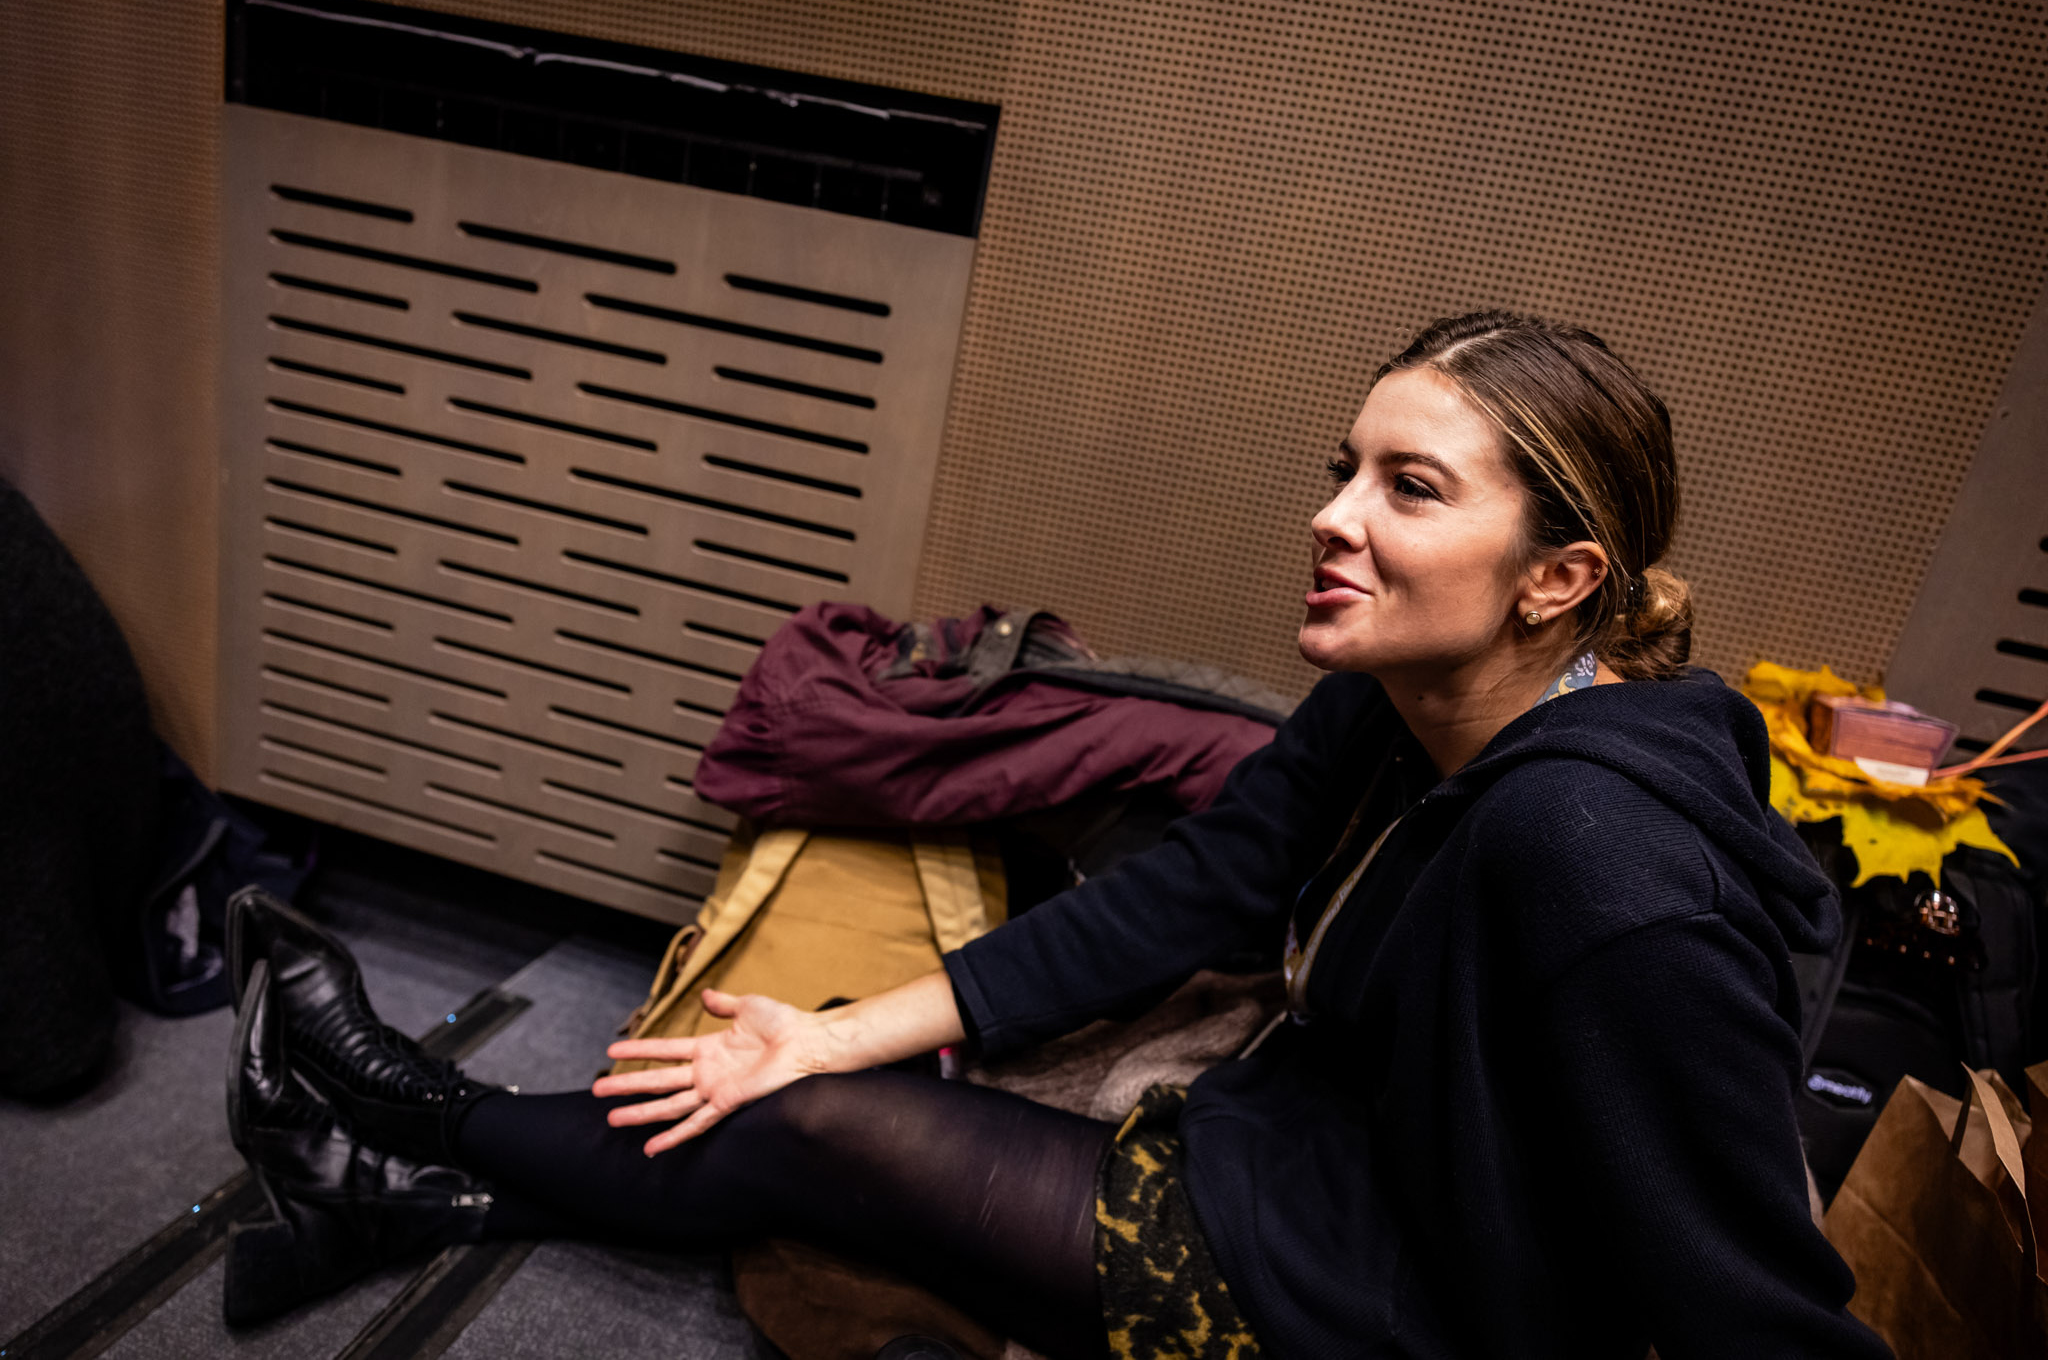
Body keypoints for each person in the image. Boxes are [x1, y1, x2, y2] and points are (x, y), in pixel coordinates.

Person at [221, 312, 1891, 1359]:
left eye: (1411, 487)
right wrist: (833, 1027)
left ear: (1560, 580)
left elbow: (1756, 1305)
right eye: (1344, 468)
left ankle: (398, 1111)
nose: (1330, 515)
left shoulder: (1604, 860)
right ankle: (401, 1191)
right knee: (823, 1093)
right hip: (1302, 1148)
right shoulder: (1398, 700)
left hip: (1386, 1297)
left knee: (819, 1132)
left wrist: (828, 1067)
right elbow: (1200, 888)